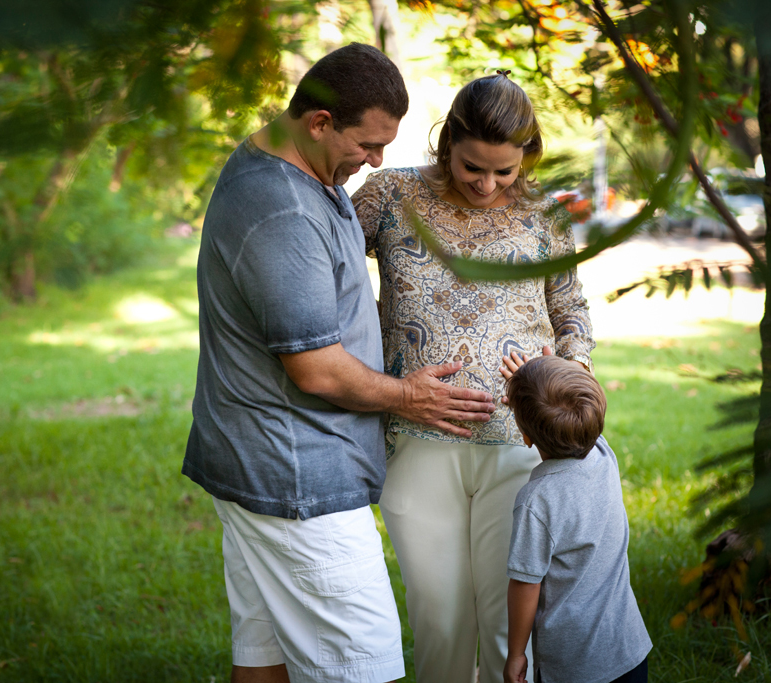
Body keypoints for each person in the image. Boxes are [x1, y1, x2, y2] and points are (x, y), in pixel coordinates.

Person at [182, 43, 497, 683]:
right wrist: (411, 398)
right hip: (297, 480)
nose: (377, 160)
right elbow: (316, 369)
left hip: (263, 467)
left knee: (262, 660)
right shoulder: (283, 210)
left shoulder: (293, 166)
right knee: (365, 664)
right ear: (320, 121)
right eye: (368, 144)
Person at [351, 73, 595, 683]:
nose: (488, 185)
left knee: (506, 619)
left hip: (519, 442)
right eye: (472, 168)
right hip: (417, 440)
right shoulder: (389, 195)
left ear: (526, 158)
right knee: (439, 618)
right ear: (446, 144)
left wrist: (572, 374)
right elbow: (320, 270)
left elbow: (570, 310)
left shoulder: (544, 213)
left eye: (505, 172)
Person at [501, 354, 652, 683]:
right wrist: (547, 375)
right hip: (629, 650)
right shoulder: (602, 454)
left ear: (526, 438)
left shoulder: (537, 499)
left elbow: (526, 583)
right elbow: (575, 408)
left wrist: (516, 654)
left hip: (573, 666)